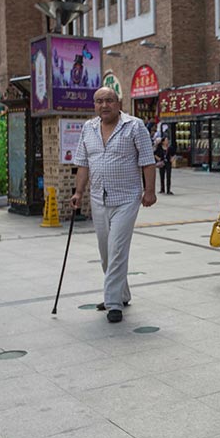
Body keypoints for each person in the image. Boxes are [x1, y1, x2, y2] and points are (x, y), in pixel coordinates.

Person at [71, 88, 157, 324]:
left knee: (117, 248)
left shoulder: (134, 126)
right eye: (99, 101)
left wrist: (150, 191)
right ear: (94, 105)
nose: (104, 105)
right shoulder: (88, 128)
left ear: (118, 103)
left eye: (109, 100)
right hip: (98, 198)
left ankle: (113, 303)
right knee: (106, 252)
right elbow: (83, 164)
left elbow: (147, 161)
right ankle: (122, 293)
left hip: (127, 198)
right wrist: (78, 192)